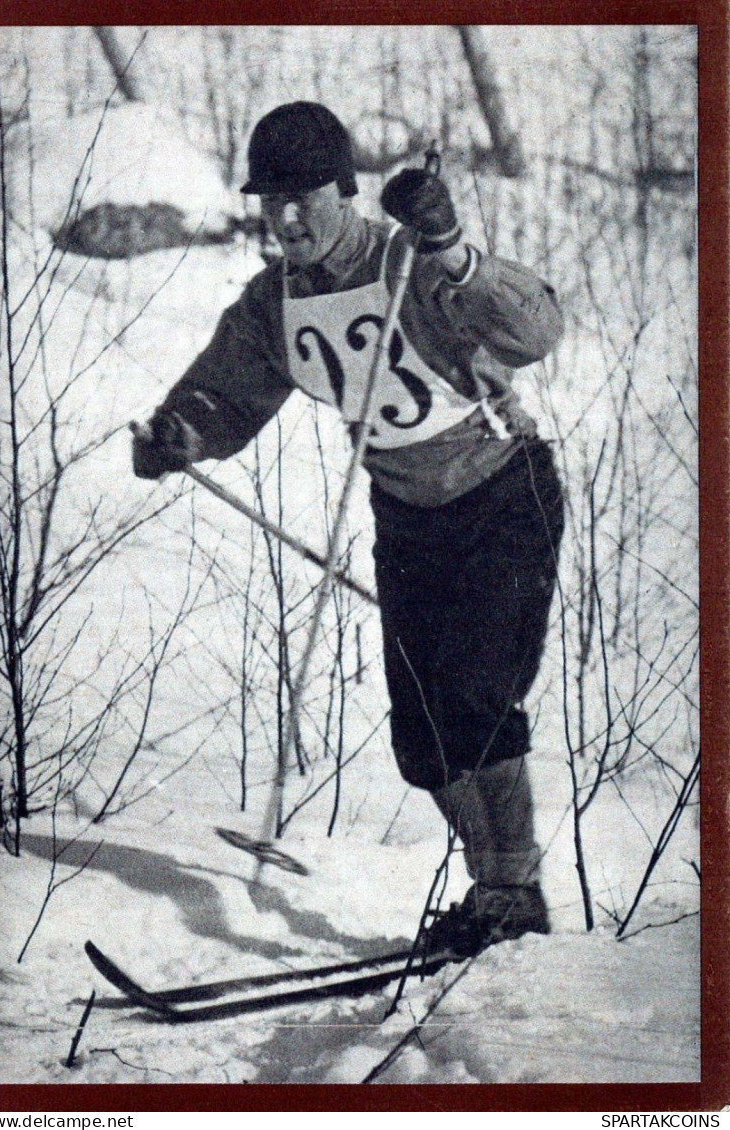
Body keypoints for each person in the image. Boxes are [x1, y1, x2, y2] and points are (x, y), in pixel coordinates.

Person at [132, 102, 565, 956]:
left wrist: (450, 248)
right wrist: (181, 432)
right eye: (271, 202)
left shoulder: (406, 260)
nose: (288, 219)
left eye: (306, 198)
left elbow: (536, 330)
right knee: (424, 741)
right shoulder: (275, 302)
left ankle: (511, 893)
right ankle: (495, 891)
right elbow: (225, 392)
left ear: (345, 190)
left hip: (500, 496)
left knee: (477, 699)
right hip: (405, 517)